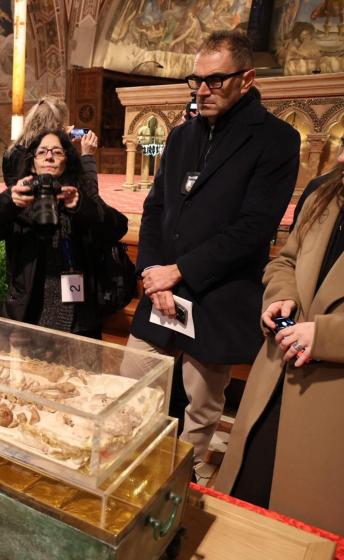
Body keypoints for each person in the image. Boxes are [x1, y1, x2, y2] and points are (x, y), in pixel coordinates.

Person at [121, 30, 301, 482]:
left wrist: (177, 273)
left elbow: (253, 229)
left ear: (247, 78)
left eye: (215, 80)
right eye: (196, 80)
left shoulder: (276, 140)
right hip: (159, 294)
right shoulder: (181, 137)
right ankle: (126, 481)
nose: (202, 90)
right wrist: (150, 274)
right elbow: (156, 207)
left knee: (199, 420)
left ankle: (186, 500)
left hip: (216, 297)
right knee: (128, 396)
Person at [214, 151, 344, 534]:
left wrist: (325, 336)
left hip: (328, 401)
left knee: (302, 530)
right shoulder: (325, 194)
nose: (339, 152)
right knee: (243, 511)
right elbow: (284, 262)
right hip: (275, 380)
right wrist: (279, 297)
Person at [0, 129, 128, 339]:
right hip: (28, 318)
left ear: (67, 161)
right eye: (42, 151)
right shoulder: (20, 198)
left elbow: (118, 228)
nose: (49, 156)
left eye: (57, 152)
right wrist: (8, 202)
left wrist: (81, 206)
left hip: (78, 320)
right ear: (33, 161)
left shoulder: (78, 195)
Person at [1, 96, 100, 188]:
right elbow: (88, 194)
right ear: (56, 126)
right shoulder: (46, 159)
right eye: (62, 126)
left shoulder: (11, 152)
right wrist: (87, 155)